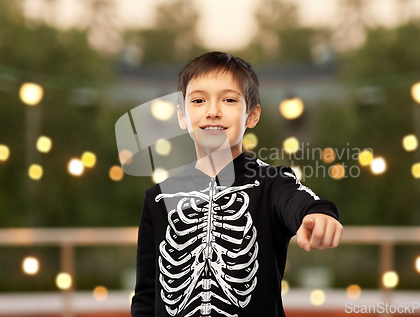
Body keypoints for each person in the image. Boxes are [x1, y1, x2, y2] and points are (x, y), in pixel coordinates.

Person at [131, 51, 343, 317]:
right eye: (198, 100)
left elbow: (300, 201)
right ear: (182, 116)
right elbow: (146, 294)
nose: (212, 111)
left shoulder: (272, 184)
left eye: (229, 99)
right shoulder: (158, 196)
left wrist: (318, 214)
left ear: (252, 115)